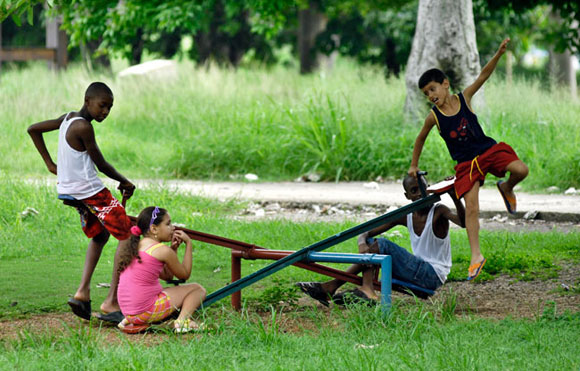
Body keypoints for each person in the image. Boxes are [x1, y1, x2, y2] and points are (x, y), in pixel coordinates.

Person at [408, 37, 529, 281]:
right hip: (466, 165)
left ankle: (506, 187)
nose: (430, 95)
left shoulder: (464, 98)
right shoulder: (434, 117)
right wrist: (414, 164)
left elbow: (483, 75)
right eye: (425, 93)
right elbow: (420, 138)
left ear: (445, 84)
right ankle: (476, 256)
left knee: (521, 170)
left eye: (433, 89)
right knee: (472, 208)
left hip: (487, 151)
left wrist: (498, 53)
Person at [27, 82, 135, 322]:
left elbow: (33, 129)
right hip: (90, 191)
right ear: (87, 101)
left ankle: (82, 293)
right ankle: (111, 303)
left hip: (70, 192)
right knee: (129, 235)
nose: (105, 111)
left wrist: (50, 164)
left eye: (109, 107)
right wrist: (126, 182)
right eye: (102, 105)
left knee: (100, 235)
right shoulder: (84, 127)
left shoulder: (67, 118)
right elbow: (101, 164)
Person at [297, 175, 465, 305]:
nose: (420, 193)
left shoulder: (439, 211)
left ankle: (337, 287)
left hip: (432, 276)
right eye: (414, 190)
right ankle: (361, 288)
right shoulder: (406, 215)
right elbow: (366, 232)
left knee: (383, 245)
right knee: (372, 244)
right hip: (416, 272)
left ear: (429, 188)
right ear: (408, 196)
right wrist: (362, 243)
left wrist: (454, 194)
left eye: (423, 188)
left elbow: (463, 222)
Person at [117, 206, 207, 333]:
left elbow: (167, 277)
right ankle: (182, 322)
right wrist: (189, 244)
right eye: (168, 224)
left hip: (129, 312)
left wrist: (173, 249)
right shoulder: (161, 250)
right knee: (197, 289)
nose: (173, 228)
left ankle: (130, 320)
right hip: (145, 310)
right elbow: (185, 274)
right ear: (154, 229)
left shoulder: (136, 245)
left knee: (168, 290)